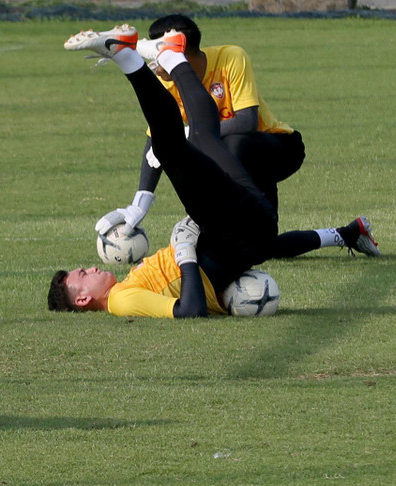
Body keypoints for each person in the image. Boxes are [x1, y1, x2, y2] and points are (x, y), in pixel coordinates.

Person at [50, 25, 379, 317]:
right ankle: (136, 57)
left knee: (203, 134)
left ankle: (168, 56)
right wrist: (184, 252)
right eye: (82, 275)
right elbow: (189, 310)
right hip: (235, 230)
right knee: (171, 147)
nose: (90, 267)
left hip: (241, 225)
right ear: (83, 300)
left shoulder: (131, 281)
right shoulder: (120, 301)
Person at [93, 15, 377, 260]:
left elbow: (246, 122)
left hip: (276, 148)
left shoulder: (231, 57)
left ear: (183, 50)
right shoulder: (167, 81)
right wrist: (140, 202)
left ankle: (202, 220)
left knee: (232, 143)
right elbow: (156, 137)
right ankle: (349, 234)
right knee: (262, 245)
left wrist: (188, 135)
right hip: (240, 166)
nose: (154, 63)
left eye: (157, 54)